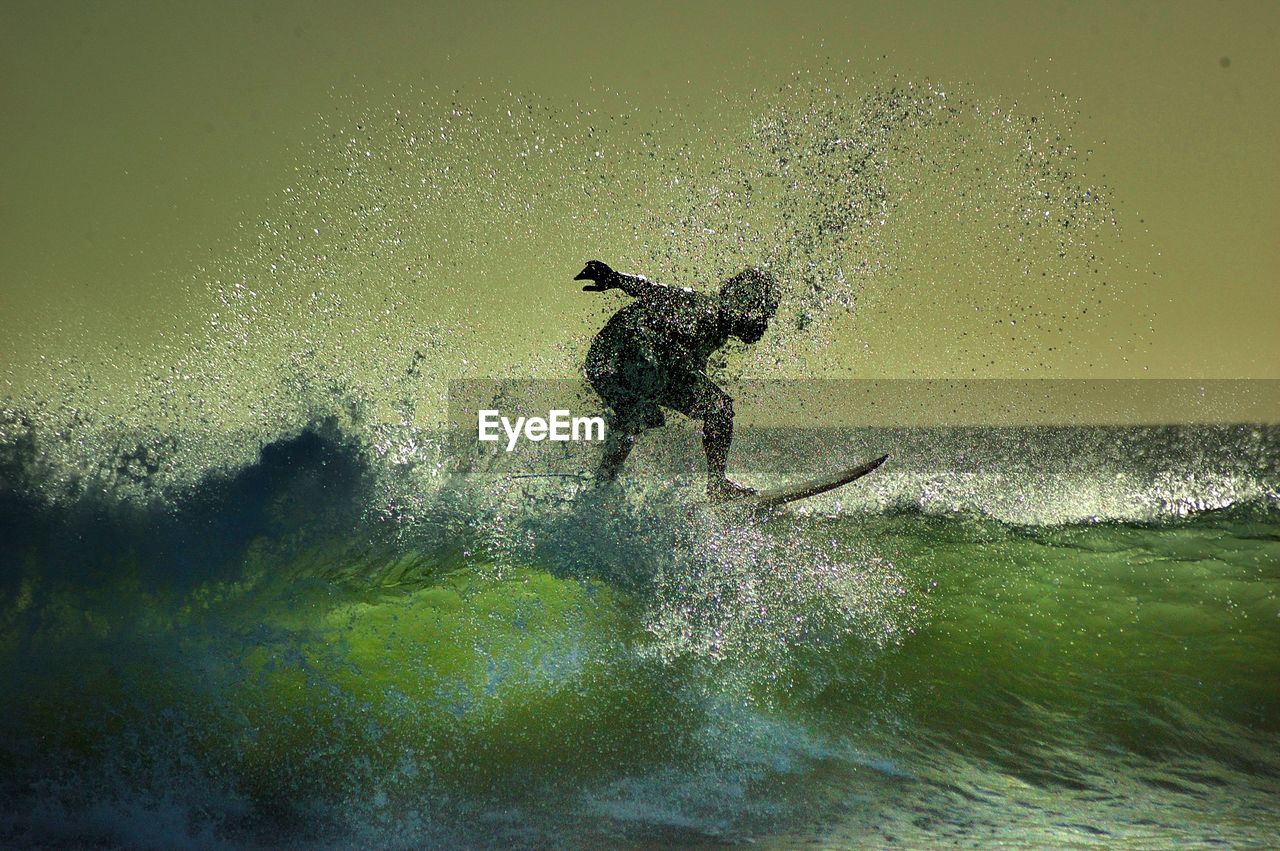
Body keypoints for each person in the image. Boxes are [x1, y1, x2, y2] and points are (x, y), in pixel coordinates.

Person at [573, 260, 780, 502]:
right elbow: (654, 290)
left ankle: (716, 485)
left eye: (767, 316)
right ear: (743, 308)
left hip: (632, 364)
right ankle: (602, 486)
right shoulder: (703, 308)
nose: (763, 326)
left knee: (713, 408)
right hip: (616, 358)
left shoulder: (717, 327)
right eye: (761, 315)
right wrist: (616, 278)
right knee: (643, 413)